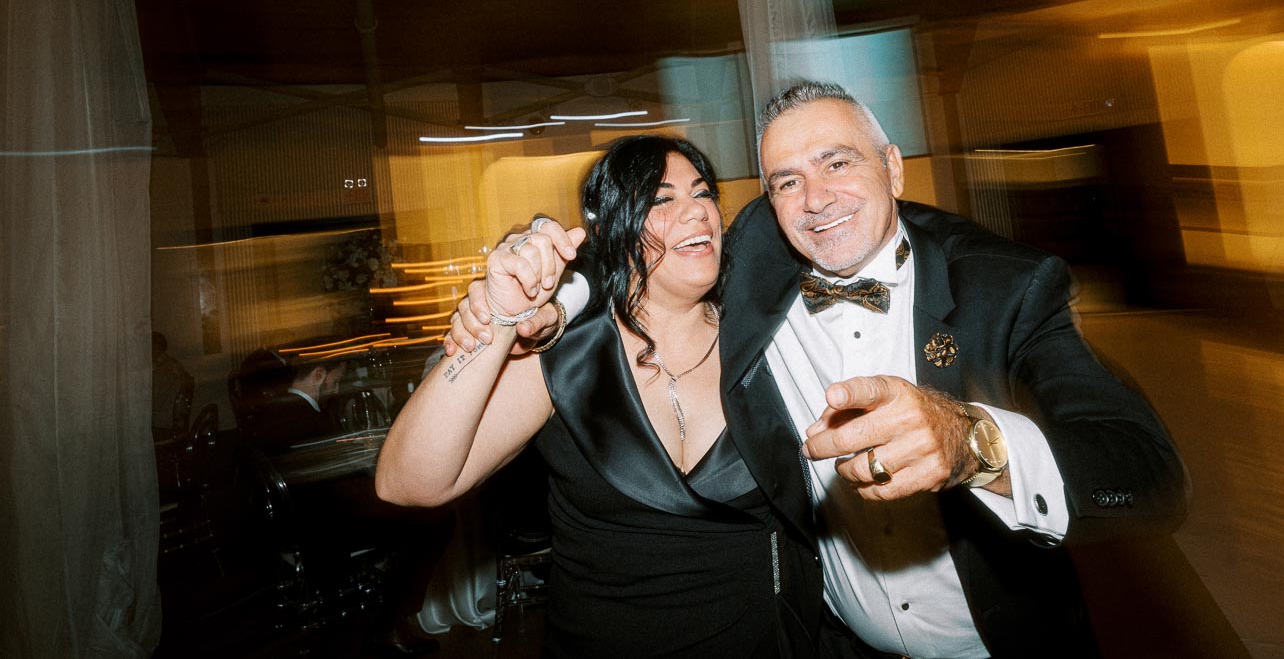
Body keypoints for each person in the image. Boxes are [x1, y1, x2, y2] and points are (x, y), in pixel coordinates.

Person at [450, 82, 1191, 658]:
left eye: (839, 162)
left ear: (893, 167)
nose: (815, 200)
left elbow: (1147, 473)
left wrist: (976, 442)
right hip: (830, 646)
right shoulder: (750, 263)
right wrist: (546, 301)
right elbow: (635, 261)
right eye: (785, 181)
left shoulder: (1008, 289)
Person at [375, 135, 823, 658]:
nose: (697, 212)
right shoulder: (566, 355)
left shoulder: (769, 337)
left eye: (702, 194)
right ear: (613, 227)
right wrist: (500, 319)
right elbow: (408, 483)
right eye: (661, 199)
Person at [244, 353, 448, 657]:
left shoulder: (276, 412)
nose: (336, 390)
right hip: (322, 528)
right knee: (435, 523)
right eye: (335, 380)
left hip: (297, 519)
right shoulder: (305, 419)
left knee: (414, 516)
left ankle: (384, 596)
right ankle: (390, 624)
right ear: (317, 375)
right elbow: (339, 490)